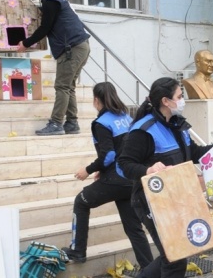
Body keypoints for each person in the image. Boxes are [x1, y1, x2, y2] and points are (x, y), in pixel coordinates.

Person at [118, 77, 213, 278]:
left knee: (173, 255)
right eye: (179, 96)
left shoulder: (177, 125)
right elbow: (124, 164)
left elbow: (194, 153)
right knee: (174, 258)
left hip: (175, 198)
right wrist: (148, 170)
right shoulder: (144, 130)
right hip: (150, 201)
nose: (182, 100)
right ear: (165, 101)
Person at [61, 82, 153, 269]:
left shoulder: (101, 123)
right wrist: (102, 170)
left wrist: (87, 170)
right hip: (131, 179)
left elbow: (109, 155)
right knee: (134, 228)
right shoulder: (126, 117)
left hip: (117, 179)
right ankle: (149, 268)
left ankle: (78, 250)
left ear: (96, 100)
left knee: (81, 201)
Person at [17, 0, 90, 136]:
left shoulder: (50, 1)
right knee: (69, 86)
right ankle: (72, 122)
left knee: (62, 86)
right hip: (81, 46)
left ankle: (56, 123)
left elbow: (45, 28)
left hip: (71, 48)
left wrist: (25, 43)